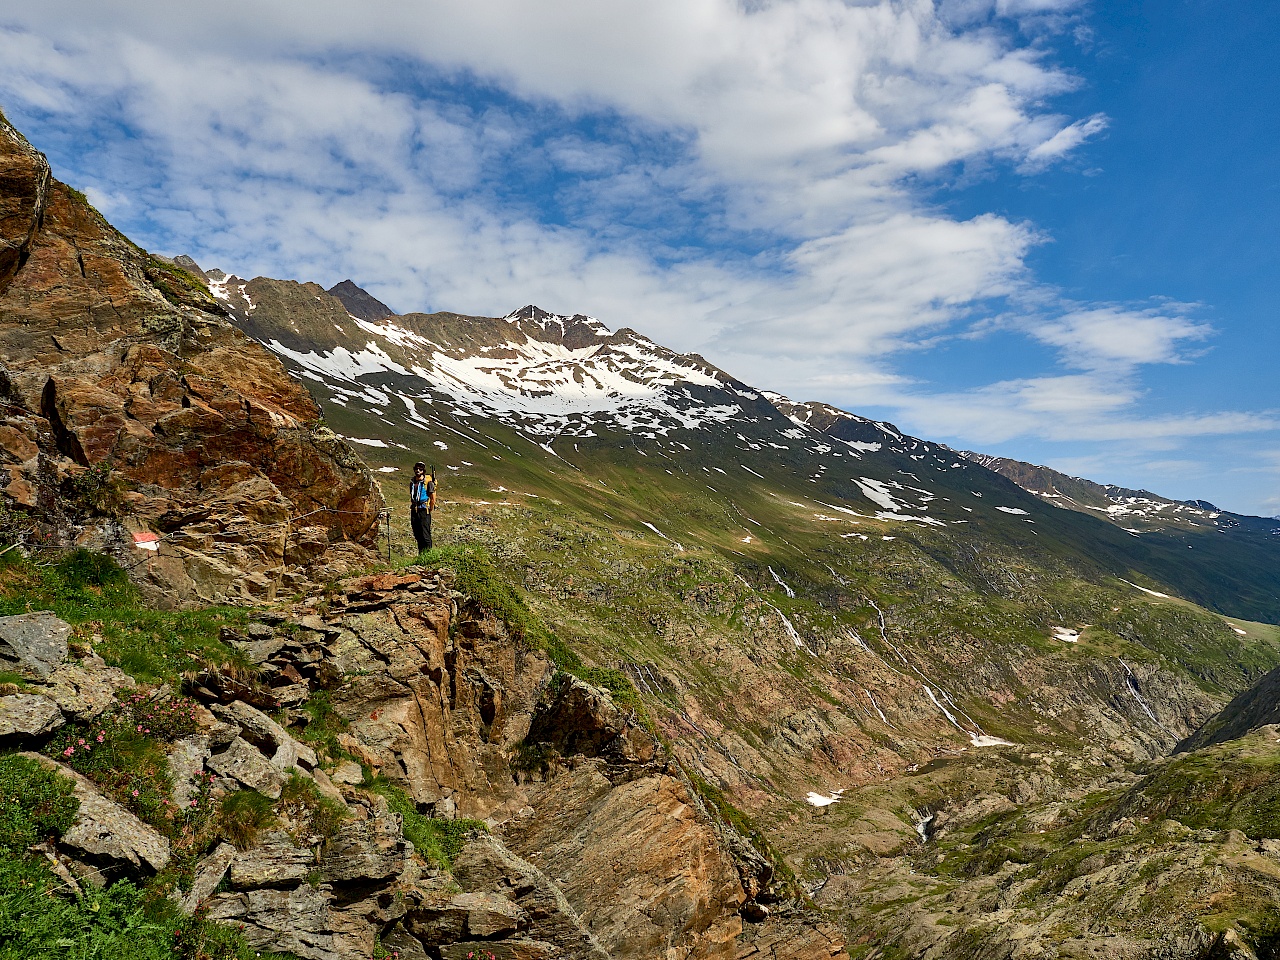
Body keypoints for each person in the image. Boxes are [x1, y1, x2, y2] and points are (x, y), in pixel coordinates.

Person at [409, 461, 436, 554]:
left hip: (424, 509)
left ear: (423, 471)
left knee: (425, 534)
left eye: (420, 469)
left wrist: (430, 508)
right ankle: (421, 554)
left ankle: (429, 554)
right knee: (417, 533)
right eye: (416, 469)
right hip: (414, 509)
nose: (418, 470)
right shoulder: (412, 482)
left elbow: (433, 498)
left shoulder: (428, 483)